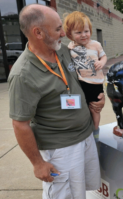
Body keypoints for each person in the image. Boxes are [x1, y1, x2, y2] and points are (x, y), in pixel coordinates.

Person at [8, 4, 105, 199]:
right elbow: (20, 124)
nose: (64, 33)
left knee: (82, 192)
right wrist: (38, 163)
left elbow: (81, 78)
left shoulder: (62, 51)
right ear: (39, 33)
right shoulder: (23, 75)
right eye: (58, 28)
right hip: (61, 149)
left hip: (85, 136)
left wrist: (96, 98)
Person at [63, 11, 107, 132]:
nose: (83, 35)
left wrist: (101, 63)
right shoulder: (69, 47)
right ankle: (81, 130)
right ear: (69, 34)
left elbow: (103, 57)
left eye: (86, 31)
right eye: (78, 32)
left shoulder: (96, 45)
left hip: (95, 83)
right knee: (80, 108)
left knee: (95, 108)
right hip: (79, 83)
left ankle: (95, 129)